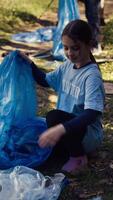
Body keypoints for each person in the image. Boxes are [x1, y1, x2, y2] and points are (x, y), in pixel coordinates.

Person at [21, 19, 105, 174]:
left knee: (54, 117)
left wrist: (61, 128)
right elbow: (45, 80)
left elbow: (91, 114)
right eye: (66, 48)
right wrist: (29, 64)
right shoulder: (67, 65)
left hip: (87, 134)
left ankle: (79, 157)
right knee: (39, 144)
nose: (69, 53)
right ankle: (67, 150)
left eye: (75, 48)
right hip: (68, 130)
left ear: (89, 45)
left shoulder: (91, 75)